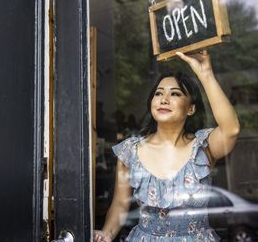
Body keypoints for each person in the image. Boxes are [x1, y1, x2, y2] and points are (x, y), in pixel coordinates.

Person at [94, 50, 240, 241]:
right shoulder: (130, 151)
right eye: (159, 93)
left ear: (191, 108)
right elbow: (120, 204)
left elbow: (231, 130)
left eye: (175, 94)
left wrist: (205, 74)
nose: (164, 99)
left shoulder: (203, 147)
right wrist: (107, 233)